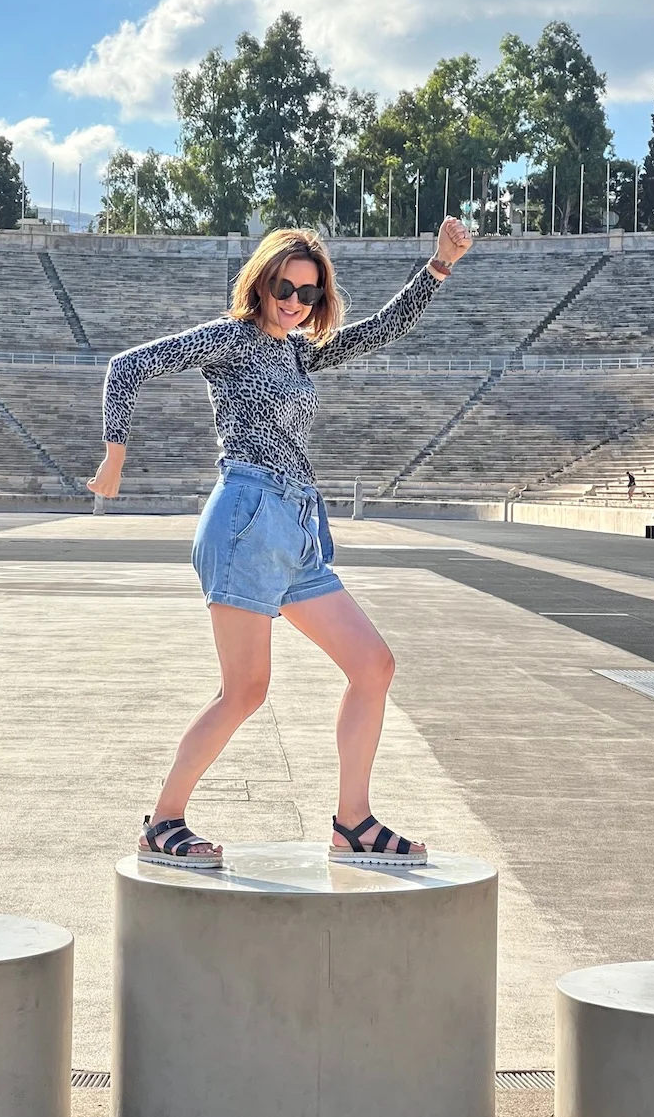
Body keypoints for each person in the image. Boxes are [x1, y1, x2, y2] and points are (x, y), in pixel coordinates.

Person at [88, 217, 473, 869]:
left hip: (295, 528)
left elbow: (380, 329)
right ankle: (164, 821)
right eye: (285, 286)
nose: (295, 301)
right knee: (245, 690)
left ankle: (353, 822)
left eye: (309, 294)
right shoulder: (232, 340)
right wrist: (115, 455)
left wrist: (438, 265)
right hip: (246, 515)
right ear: (262, 281)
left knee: (373, 665)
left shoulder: (298, 350)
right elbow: (129, 367)